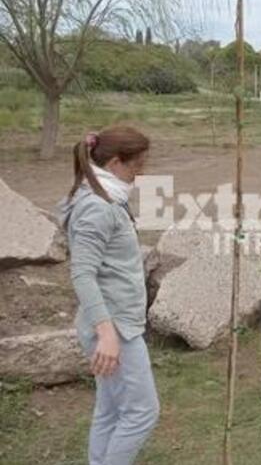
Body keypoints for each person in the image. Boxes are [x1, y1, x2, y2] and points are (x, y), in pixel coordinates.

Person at [60, 126, 159, 465]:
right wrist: (107, 334)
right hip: (115, 330)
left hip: (115, 323)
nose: (141, 172)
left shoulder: (103, 196)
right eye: (137, 165)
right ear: (116, 162)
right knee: (142, 412)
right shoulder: (98, 207)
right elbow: (82, 273)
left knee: (111, 409)